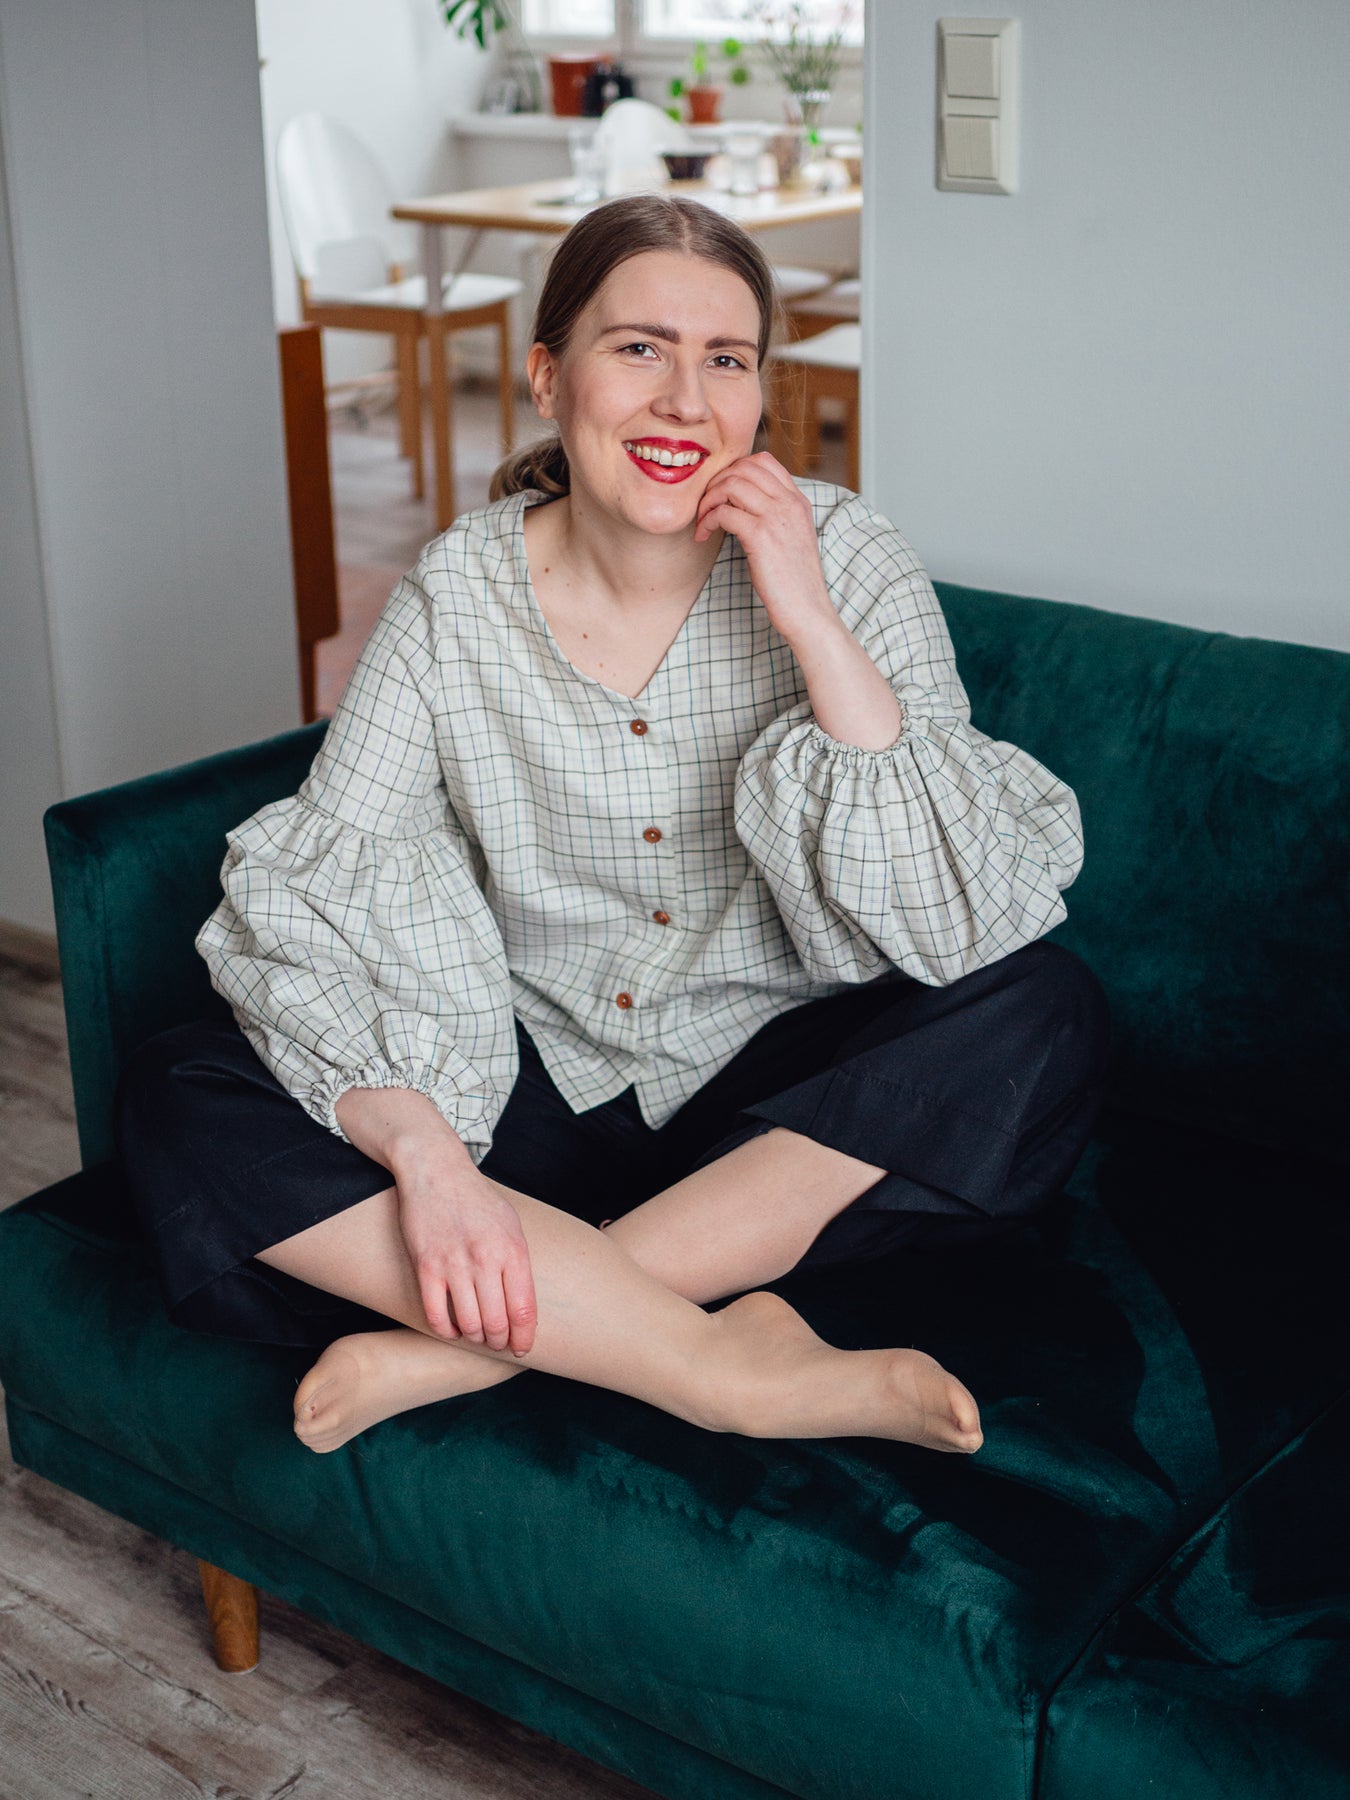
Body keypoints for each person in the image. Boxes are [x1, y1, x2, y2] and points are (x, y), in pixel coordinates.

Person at [116, 196, 1107, 1463]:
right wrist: (432, 1164)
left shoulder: (850, 553)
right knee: (182, 1088)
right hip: (523, 1079)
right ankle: (713, 1364)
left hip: (776, 1102)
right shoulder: (457, 592)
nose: (686, 401)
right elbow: (325, 886)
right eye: (640, 348)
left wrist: (808, 616)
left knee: (1044, 1008)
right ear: (548, 377)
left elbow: (951, 913)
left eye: (726, 360)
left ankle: (464, 1348)